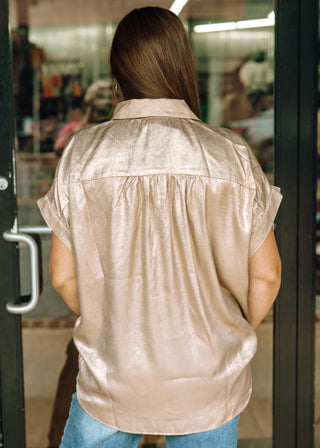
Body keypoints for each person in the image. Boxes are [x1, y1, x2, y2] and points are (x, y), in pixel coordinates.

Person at [38, 6, 282, 448]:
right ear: (181, 64)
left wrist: (110, 319)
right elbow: (267, 274)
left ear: (118, 70)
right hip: (208, 376)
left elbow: (62, 275)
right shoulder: (231, 154)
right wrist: (232, 327)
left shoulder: (82, 154)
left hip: (114, 374)